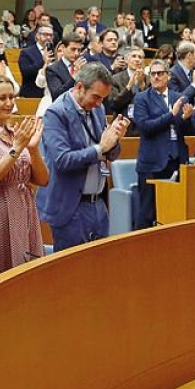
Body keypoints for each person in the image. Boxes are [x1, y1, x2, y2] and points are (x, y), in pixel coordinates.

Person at [41, 62, 127, 250]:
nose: (99, 103)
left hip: (98, 204)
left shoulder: (98, 109)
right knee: (72, 267)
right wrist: (100, 149)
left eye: (103, 99)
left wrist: (115, 140)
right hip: (71, 207)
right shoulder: (55, 113)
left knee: (100, 264)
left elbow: (109, 153)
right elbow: (62, 160)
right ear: (79, 87)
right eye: (95, 97)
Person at [0, 74, 48, 281]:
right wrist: (16, 149)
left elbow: (42, 180)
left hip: (24, 209)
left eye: (11, 97)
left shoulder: (15, 132)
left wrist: (33, 150)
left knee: (26, 276)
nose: (9, 103)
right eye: (2, 98)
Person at [133, 59, 194, 229]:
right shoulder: (142, 98)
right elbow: (145, 127)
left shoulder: (178, 97)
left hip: (176, 159)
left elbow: (185, 130)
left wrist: (185, 119)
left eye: (160, 73)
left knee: (174, 211)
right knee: (147, 213)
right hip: (152, 162)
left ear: (168, 75)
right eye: (153, 74)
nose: (156, 77)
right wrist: (171, 115)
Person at [107, 46, 149, 121]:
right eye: (134, 56)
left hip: (143, 122)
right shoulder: (115, 79)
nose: (137, 60)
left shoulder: (148, 79)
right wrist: (128, 86)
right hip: (123, 121)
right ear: (126, 60)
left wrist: (143, 87)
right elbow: (114, 105)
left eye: (140, 57)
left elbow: (151, 104)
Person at [46, 30, 85, 100]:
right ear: (63, 48)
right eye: (73, 49)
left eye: (79, 50)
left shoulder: (84, 66)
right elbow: (57, 95)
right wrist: (75, 76)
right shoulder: (52, 69)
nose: (76, 53)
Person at [18, 24, 54, 98]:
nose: (48, 37)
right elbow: (26, 72)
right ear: (37, 35)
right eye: (45, 34)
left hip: (50, 93)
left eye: (51, 35)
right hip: (32, 93)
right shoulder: (26, 52)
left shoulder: (55, 52)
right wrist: (43, 61)